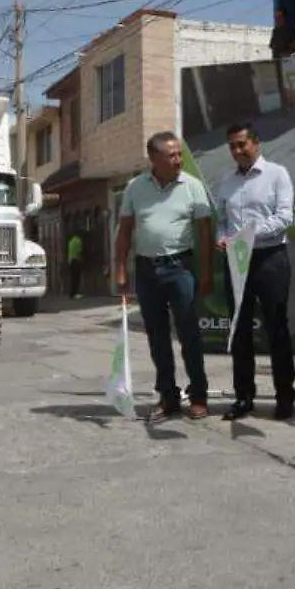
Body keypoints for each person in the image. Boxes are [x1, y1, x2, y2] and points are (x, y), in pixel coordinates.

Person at [114, 133, 216, 422]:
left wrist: (206, 274)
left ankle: (198, 396)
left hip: (180, 267)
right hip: (146, 270)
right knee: (157, 338)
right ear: (154, 159)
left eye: (179, 154)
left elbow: (206, 232)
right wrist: (120, 269)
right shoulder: (135, 187)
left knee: (189, 335)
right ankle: (168, 396)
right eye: (171, 155)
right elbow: (124, 231)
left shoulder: (192, 186)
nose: (178, 160)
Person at [213, 123, 295, 421]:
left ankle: (285, 396)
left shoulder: (277, 174)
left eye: (242, 144)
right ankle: (243, 397)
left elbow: (284, 217)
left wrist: (249, 234)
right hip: (237, 260)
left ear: (256, 143)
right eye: (232, 146)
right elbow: (222, 221)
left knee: (276, 328)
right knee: (239, 331)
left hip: (270, 257)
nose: (237, 151)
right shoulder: (226, 183)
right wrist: (222, 237)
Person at [65, 231, 85, 299]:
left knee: (72, 278)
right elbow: (79, 251)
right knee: (77, 278)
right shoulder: (78, 241)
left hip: (70, 261)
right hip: (76, 260)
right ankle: (75, 293)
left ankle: (72, 293)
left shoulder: (71, 241)